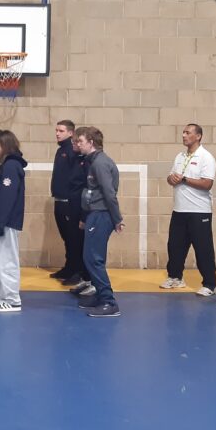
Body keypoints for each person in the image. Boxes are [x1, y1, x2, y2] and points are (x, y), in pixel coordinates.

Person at [162, 123, 216, 296]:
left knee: (203, 248)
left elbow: (207, 183)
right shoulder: (180, 156)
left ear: (198, 136)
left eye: (188, 133)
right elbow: (171, 177)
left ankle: (210, 284)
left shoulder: (206, 157)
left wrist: (184, 179)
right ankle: (175, 277)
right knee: (175, 246)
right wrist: (171, 179)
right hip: (179, 210)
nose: (184, 135)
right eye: (183, 132)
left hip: (199, 211)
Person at [75, 126, 125, 318]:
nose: (78, 145)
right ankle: (99, 296)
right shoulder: (94, 162)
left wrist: (117, 218)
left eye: (80, 141)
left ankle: (108, 302)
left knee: (93, 259)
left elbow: (109, 193)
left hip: (101, 214)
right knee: (92, 258)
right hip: (95, 214)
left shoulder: (100, 163)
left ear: (91, 142)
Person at [0, 130, 27, 313]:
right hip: (3, 221)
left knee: (6, 261)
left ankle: (12, 299)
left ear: (5, 144)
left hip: (8, 222)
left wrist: (1, 223)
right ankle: (4, 296)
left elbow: (7, 198)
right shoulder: (5, 164)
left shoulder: (11, 166)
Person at [50, 120, 87, 287]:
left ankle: (77, 271)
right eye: (56, 130)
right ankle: (69, 267)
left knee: (74, 238)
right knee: (67, 238)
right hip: (59, 200)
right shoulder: (61, 151)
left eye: (61, 131)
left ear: (71, 133)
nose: (57, 133)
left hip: (69, 202)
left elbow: (76, 177)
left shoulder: (73, 151)